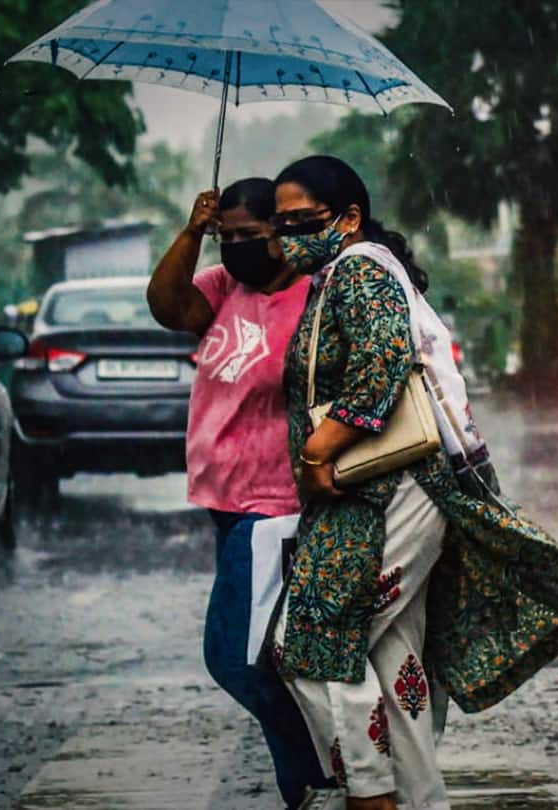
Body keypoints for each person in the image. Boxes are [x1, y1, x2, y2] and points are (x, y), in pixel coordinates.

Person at [263, 155, 558, 810]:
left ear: (348, 219)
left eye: (300, 222)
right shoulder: (344, 272)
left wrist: (316, 457)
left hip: (391, 487)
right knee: (395, 659)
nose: (287, 236)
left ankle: (372, 796)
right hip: (383, 491)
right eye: (279, 225)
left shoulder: (360, 270)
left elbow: (381, 366)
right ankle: (422, 800)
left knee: (310, 643)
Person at [146, 179, 327, 808]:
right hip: (223, 502)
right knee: (267, 656)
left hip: (275, 507)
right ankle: (305, 782)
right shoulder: (224, 289)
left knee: (234, 657)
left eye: (251, 235)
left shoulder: (313, 297)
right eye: (230, 237)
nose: (239, 249)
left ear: (282, 232)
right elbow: (167, 306)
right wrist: (194, 231)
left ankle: (319, 767)